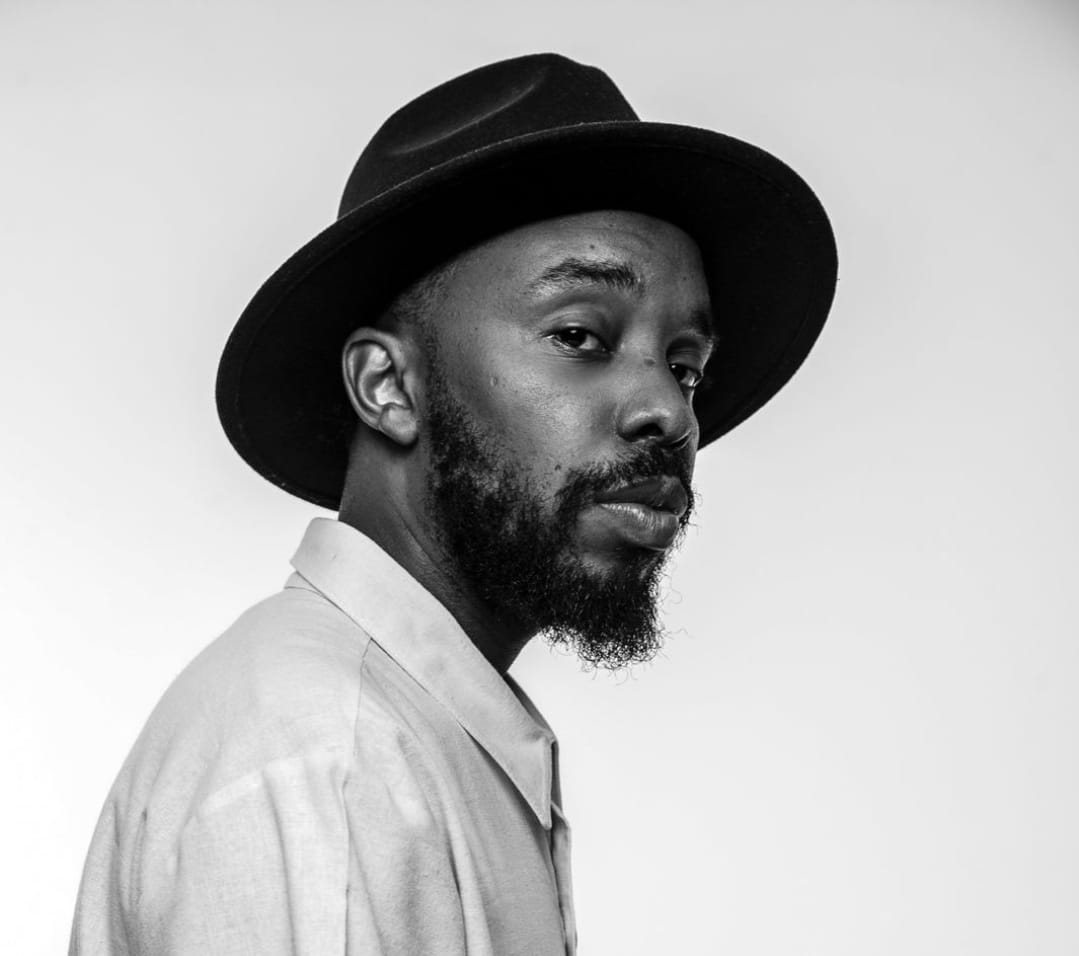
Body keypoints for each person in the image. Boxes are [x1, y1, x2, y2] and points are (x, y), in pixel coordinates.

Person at [69, 53, 837, 955]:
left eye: (684, 365)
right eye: (580, 334)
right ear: (388, 385)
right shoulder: (336, 763)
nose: (668, 411)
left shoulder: (415, 731)